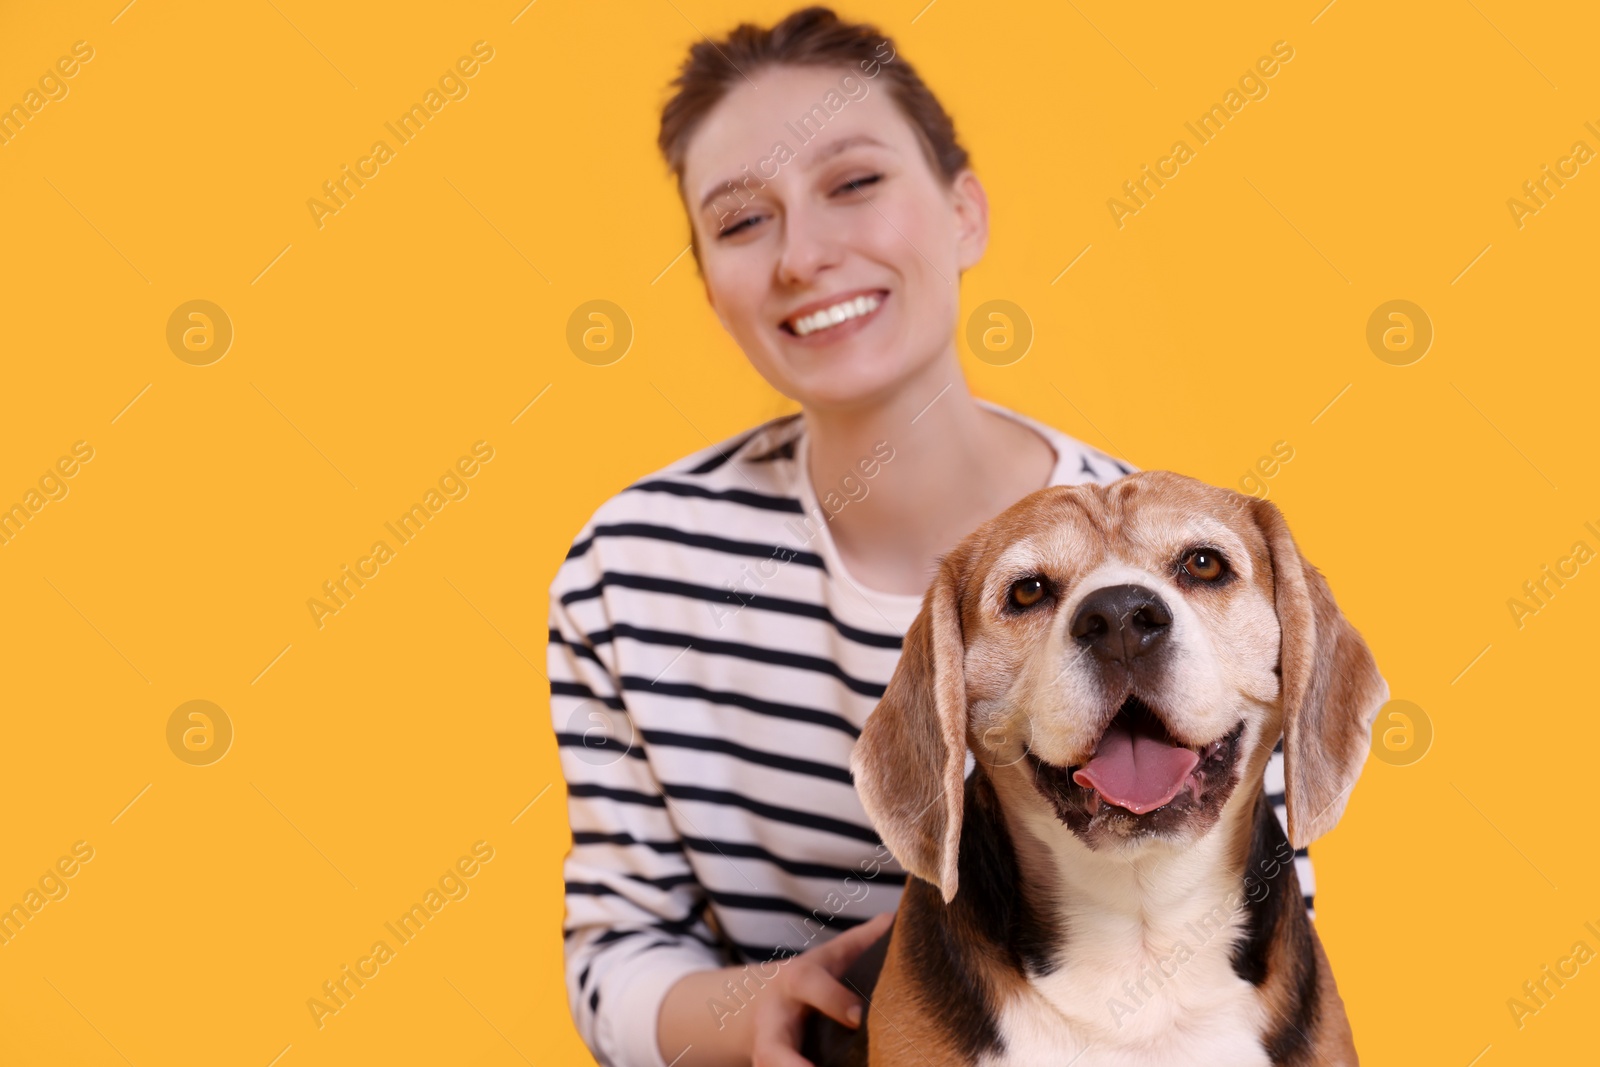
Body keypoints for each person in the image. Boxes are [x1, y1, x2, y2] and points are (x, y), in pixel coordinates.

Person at [547, 8, 1313, 1066]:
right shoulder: (627, 571)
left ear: (963, 211)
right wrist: (754, 1005)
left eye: (854, 182)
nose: (805, 254)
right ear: (706, 283)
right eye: (738, 222)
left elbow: (1260, 895)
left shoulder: (1179, 562)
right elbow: (617, 942)